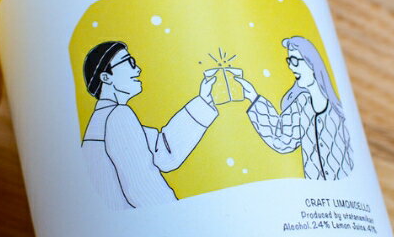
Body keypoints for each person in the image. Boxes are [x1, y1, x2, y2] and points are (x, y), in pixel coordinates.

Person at [81, 41, 218, 210]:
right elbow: (143, 188)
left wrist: (203, 101)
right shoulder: (118, 116)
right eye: (129, 62)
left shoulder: (102, 118)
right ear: (106, 77)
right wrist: (179, 216)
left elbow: (162, 152)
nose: (138, 70)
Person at [233, 36, 353, 180]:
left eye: (295, 61)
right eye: (289, 61)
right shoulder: (301, 104)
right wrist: (253, 97)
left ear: (311, 62)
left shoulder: (338, 110)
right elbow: (282, 139)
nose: (291, 67)